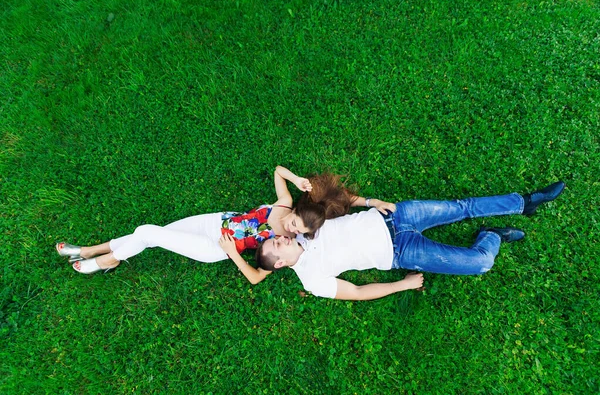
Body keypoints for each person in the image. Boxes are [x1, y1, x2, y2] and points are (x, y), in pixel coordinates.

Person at [56, 166, 395, 284]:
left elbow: (258, 275)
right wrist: (297, 179)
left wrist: (232, 254)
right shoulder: (286, 204)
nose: (291, 230)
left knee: (148, 233)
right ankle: (93, 250)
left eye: (298, 232)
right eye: (295, 224)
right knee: (150, 235)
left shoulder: (285, 244)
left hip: (214, 247)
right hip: (215, 221)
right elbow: (278, 171)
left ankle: (105, 260)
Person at [255, 181, 566, 300]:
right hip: (403, 251)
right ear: (280, 263)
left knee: (462, 207)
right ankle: (490, 236)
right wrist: (400, 285)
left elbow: (334, 199)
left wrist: (371, 201)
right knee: (480, 263)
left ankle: (525, 202)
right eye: (276, 245)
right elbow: (358, 291)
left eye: (276, 239)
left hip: (395, 216)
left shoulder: (301, 226)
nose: (279, 239)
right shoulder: (311, 279)